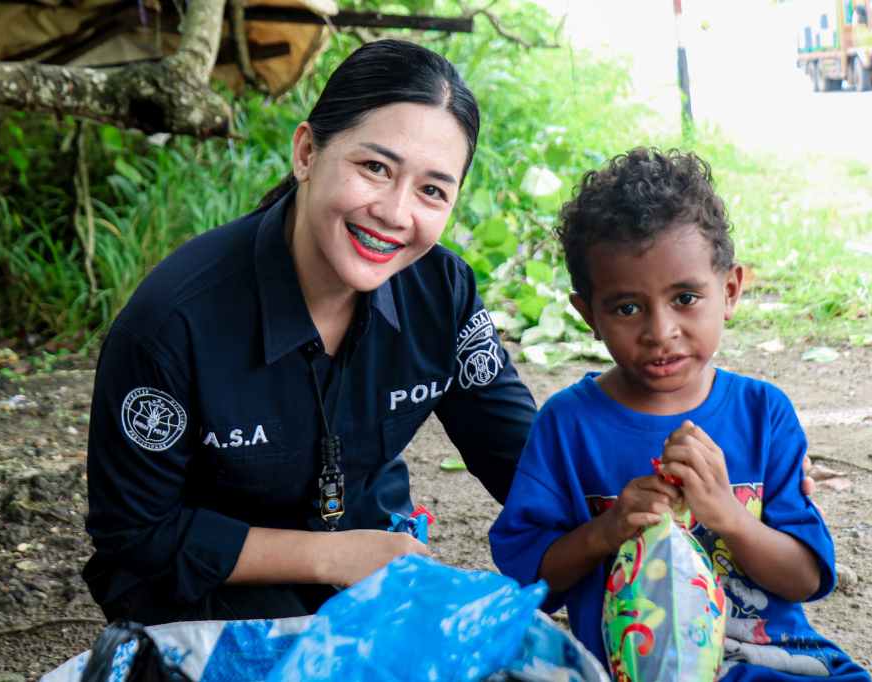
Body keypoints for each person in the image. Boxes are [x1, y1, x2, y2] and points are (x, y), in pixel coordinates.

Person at [82, 39, 537, 625]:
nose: (395, 213)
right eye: (375, 168)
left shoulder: (441, 293)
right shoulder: (173, 323)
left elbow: (523, 460)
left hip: (368, 573)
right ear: (306, 153)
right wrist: (332, 557)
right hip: (203, 593)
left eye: (432, 190)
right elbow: (136, 536)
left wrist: (630, 509)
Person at [489, 148, 870, 680]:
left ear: (729, 291)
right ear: (588, 314)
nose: (660, 331)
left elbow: (805, 579)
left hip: (765, 663)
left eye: (686, 298)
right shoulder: (568, 426)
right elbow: (529, 581)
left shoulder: (763, 414)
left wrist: (729, 516)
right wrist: (607, 530)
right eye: (627, 308)